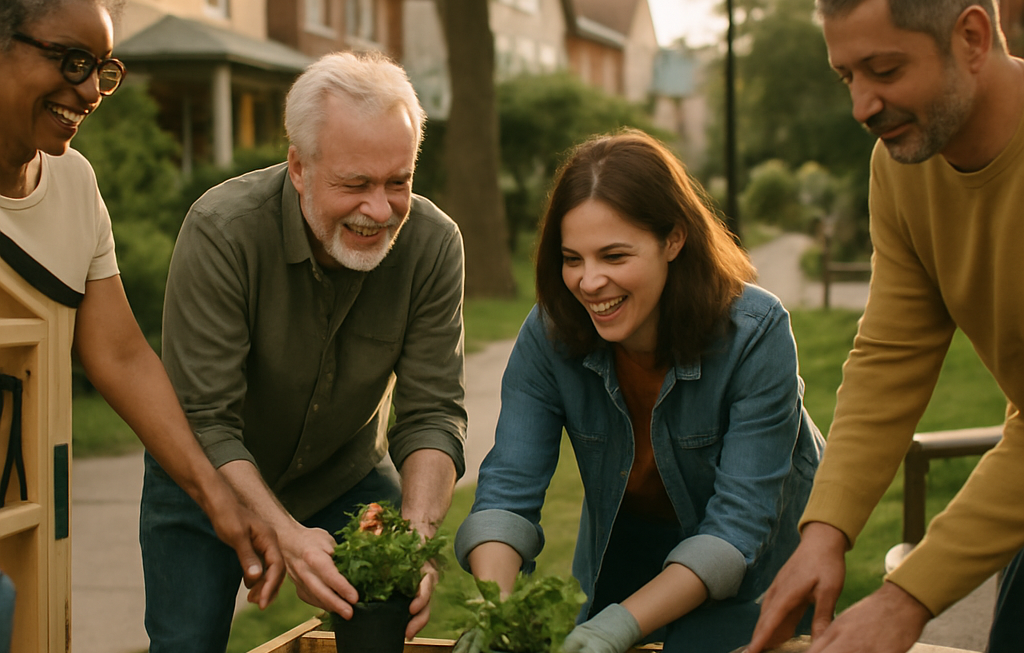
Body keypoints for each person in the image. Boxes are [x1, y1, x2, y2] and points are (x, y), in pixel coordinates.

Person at [139, 50, 468, 652]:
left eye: (399, 182)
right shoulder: (221, 230)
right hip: (206, 470)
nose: (379, 210)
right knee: (186, 642)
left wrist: (416, 536)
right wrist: (285, 534)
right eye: (355, 184)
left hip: (346, 472)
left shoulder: (434, 244)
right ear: (298, 166)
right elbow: (206, 419)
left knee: (381, 630)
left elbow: (432, 412)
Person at [454, 130, 824, 653]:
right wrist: (500, 611)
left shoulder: (756, 334)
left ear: (673, 239)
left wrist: (620, 626)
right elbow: (509, 488)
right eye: (572, 258)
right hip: (628, 550)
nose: (588, 282)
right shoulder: (549, 333)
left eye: (614, 255)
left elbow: (737, 528)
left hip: (757, 572)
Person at [746, 2, 1024, 652]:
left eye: (885, 69)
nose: (862, 105)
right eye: (847, 76)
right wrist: (825, 532)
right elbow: (891, 354)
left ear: (973, 37)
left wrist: (907, 596)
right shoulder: (901, 168)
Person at [0, 0, 283, 614]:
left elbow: (122, 355)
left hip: (25, 521)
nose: (90, 91)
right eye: (71, 61)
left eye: (102, 68)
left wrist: (220, 499)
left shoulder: (73, 185)